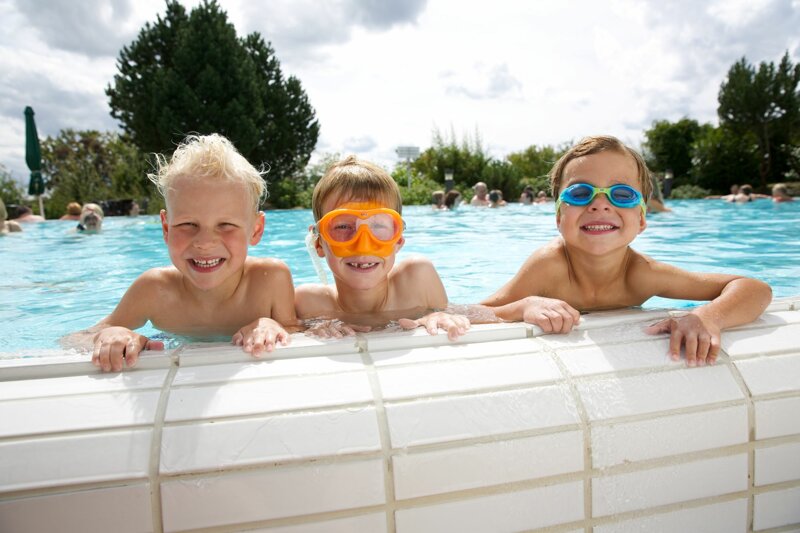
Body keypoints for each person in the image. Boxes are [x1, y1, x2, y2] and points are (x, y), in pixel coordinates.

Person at [481, 135, 772, 367]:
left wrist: (709, 316)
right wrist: (522, 306)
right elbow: (470, 313)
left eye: (622, 195)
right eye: (580, 193)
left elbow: (754, 288)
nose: (600, 204)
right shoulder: (550, 266)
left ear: (642, 219)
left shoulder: (641, 275)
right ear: (558, 217)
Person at [66, 134, 296, 371]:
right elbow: (75, 339)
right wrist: (112, 334)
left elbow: (296, 332)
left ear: (256, 229)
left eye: (225, 225)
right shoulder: (154, 290)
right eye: (188, 224)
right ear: (166, 228)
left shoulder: (270, 280)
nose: (205, 242)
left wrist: (272, 325)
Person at [296, 156, 469, 339]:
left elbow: (472, 314)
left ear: (398, 241)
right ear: (318, 244)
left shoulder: (417, 280)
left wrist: (439, 315)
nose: (363, 246)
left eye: (378, 226)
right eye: (343, 226)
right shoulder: (309, 304)